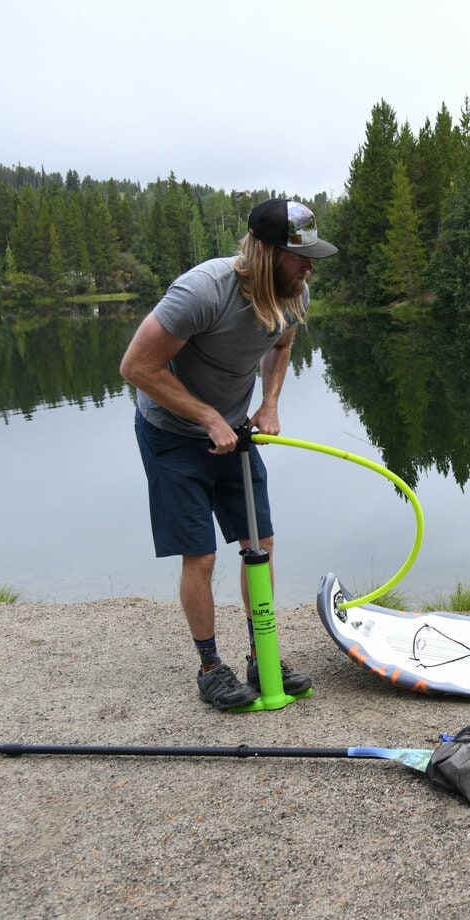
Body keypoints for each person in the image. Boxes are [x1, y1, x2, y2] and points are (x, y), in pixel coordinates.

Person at [120, 198, 338, 709]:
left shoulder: (294, 294)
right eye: (298, 255)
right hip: (171, 434)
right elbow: (135, 367)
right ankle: (210, 666)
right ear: (263, 252)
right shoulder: (203, 292)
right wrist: (207, 417)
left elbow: (280, 348)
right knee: (201, 554)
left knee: (259, 542)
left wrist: (270, 402)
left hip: (233, 432)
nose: (309, 266)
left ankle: (263, 656)